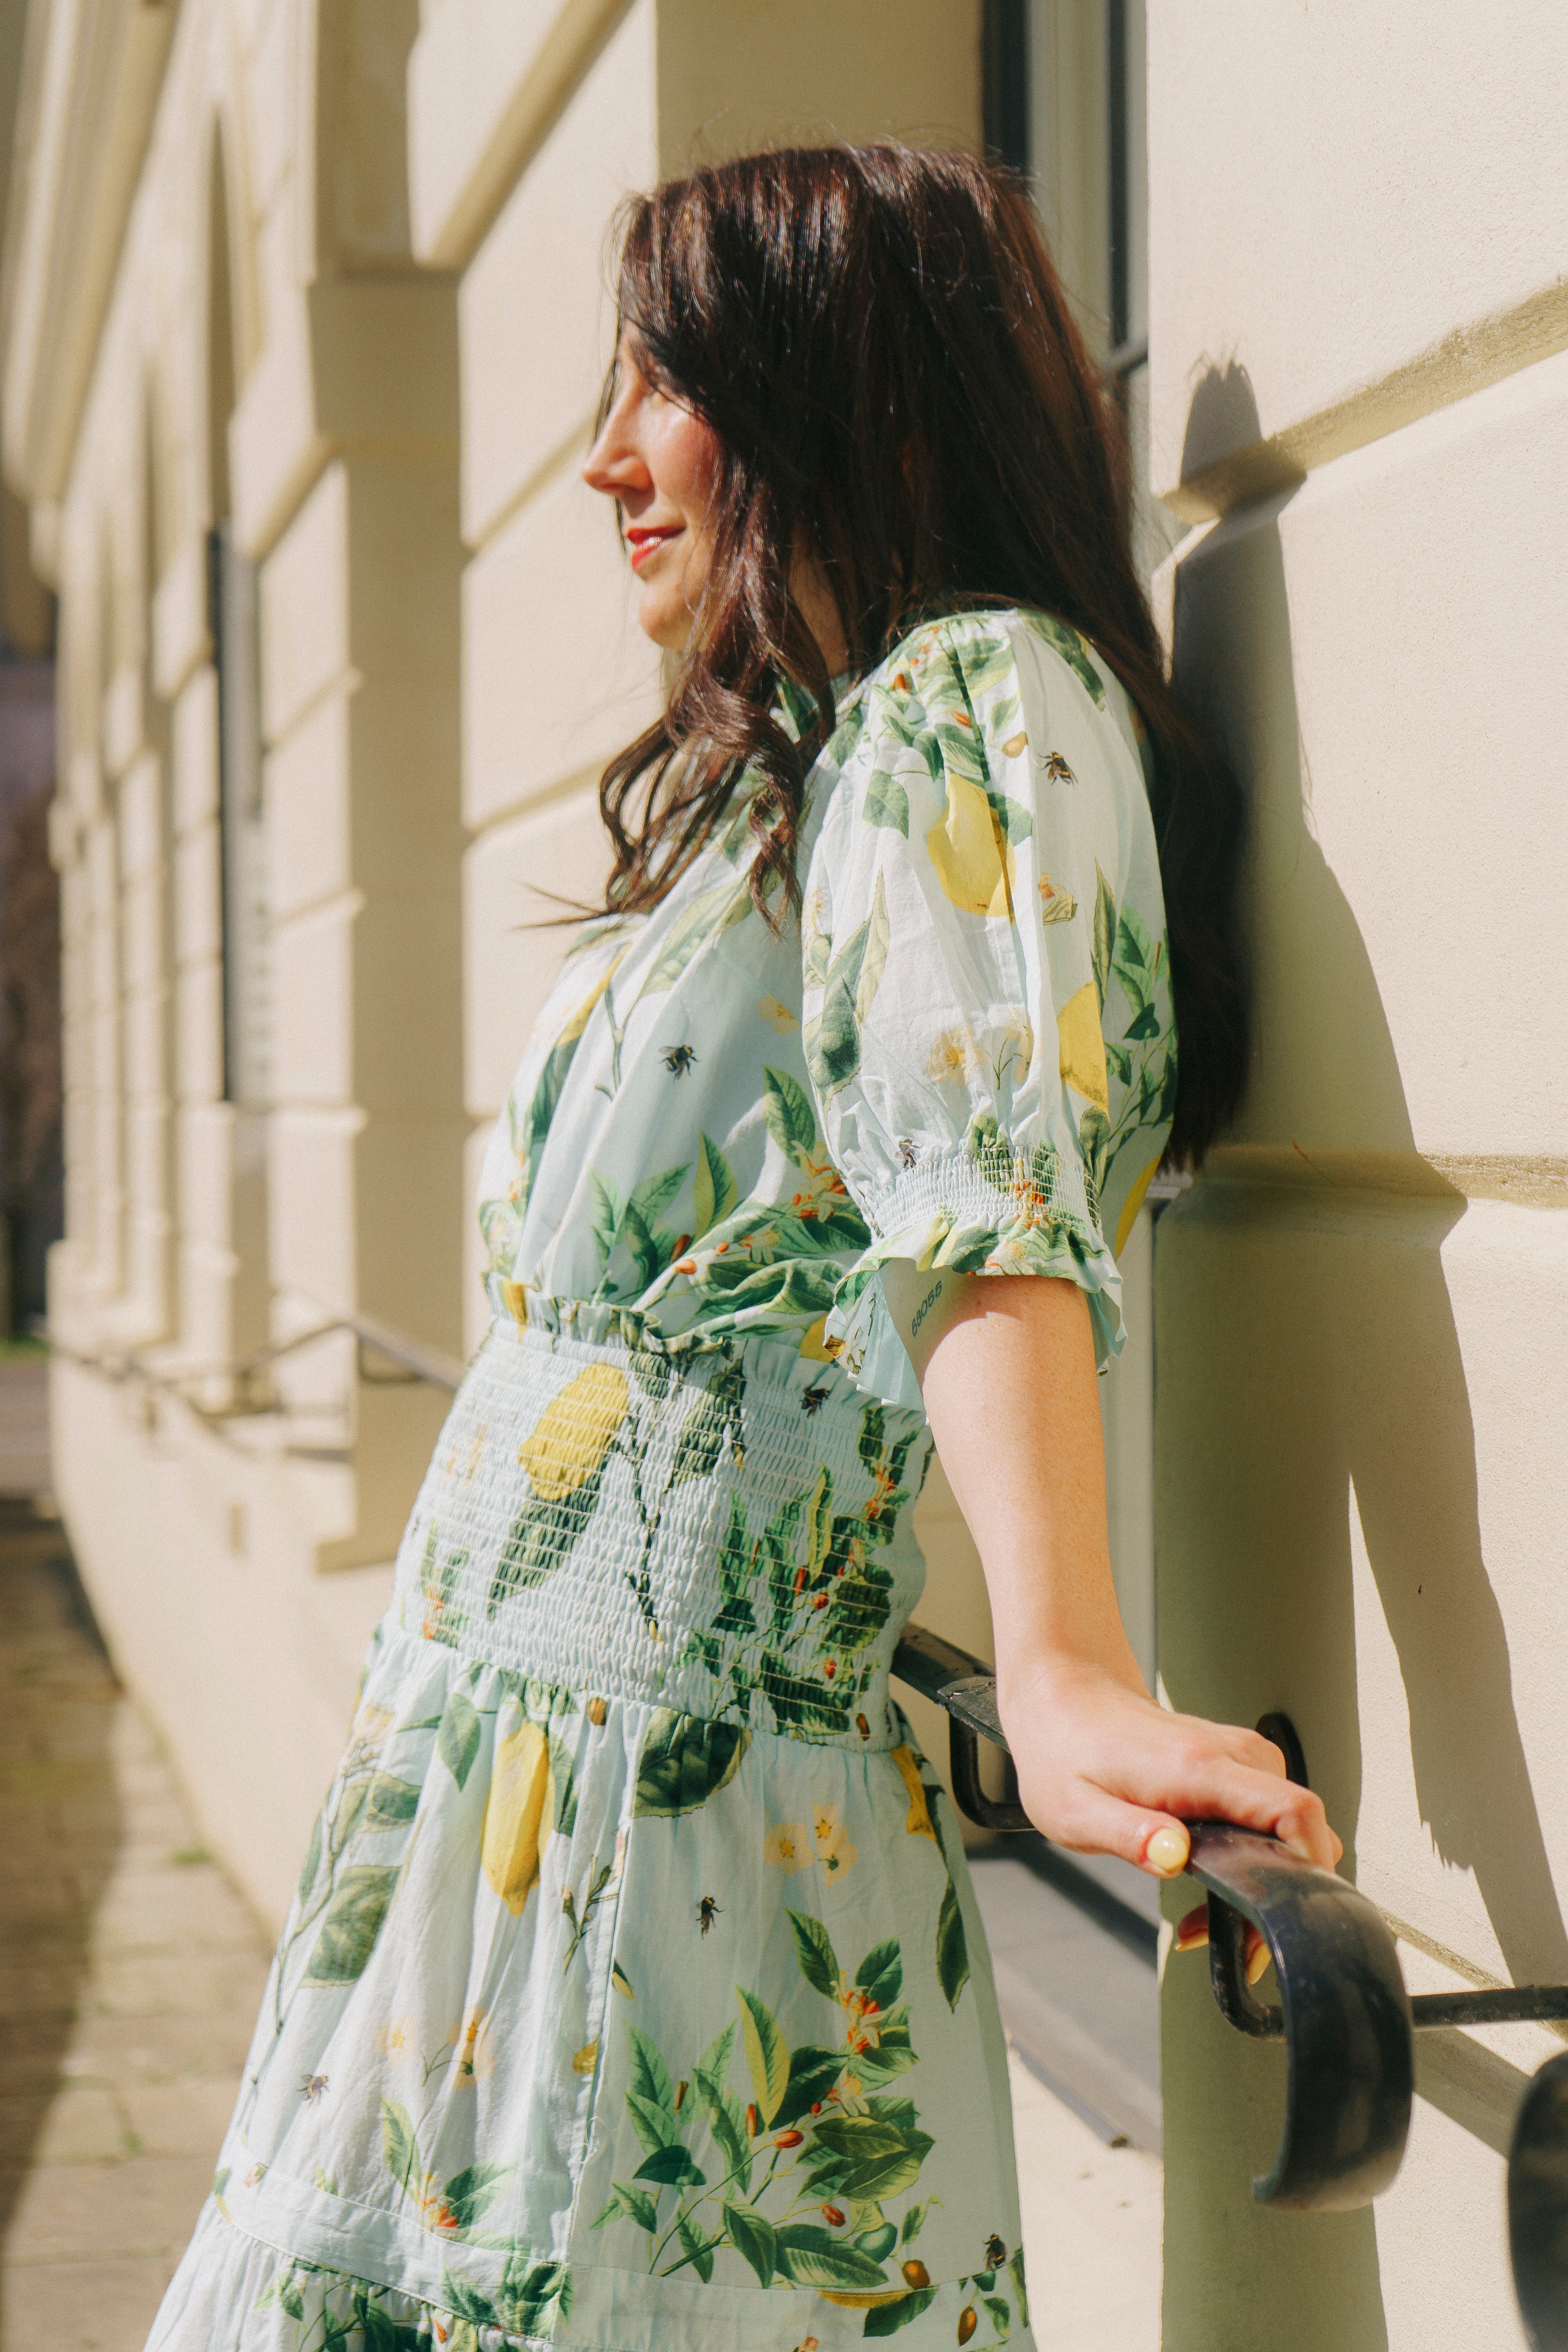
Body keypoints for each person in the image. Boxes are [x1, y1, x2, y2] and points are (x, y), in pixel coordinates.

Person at [147, 144, 1339, 2352]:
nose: (606, 457)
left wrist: (1064, 1653)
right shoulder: (799, 766)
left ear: (848, 394)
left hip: (655, 1879)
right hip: (506, 1832)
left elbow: (981, 1188)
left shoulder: (967, 707)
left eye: (662, 386)